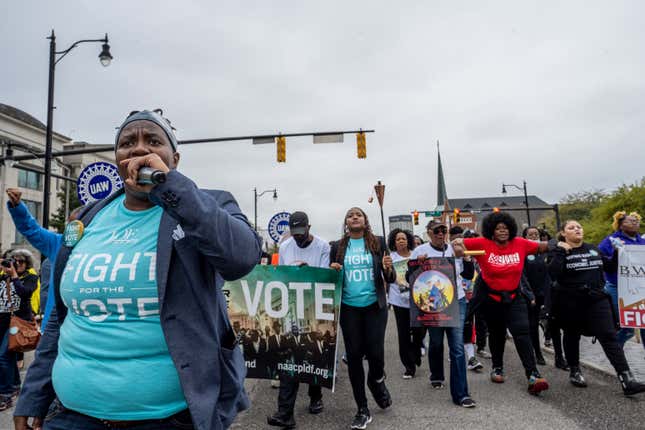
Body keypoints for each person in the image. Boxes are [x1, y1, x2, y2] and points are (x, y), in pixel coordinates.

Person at [13, 109, 261, 430]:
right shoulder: (87, 218)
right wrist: (33, 394)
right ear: (117, 158)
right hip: (72, 416)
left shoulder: (206, 204)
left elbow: (241, 256)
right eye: (127, 142)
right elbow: (64, 316)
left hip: (167, 419)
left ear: (175, 157)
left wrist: (171, 187)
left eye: (153, 141)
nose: (139, 148)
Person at [452, 211, 550, 395]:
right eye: (498, 229)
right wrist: (458, 246)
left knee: (522, 332)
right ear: (491, 230)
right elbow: (457, 243)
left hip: (514, 297)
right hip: (491, 299)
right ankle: (497, 367)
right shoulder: (482, 243)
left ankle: (533, 374)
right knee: (497, 334)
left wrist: (558, 244)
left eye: (505, 228)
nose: (502, 231)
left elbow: (542, 246)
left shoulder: (520, 243)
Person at [547, 220, 645, 395]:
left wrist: (617, 254)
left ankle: (627, 379)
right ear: (563, 234)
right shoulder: (558, 251)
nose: (577, 229)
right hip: (570, 301)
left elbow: (610, 267)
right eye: (571, 228)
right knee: (571, 335)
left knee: (609, 336)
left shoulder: (592, 248)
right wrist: (561, 251)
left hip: (597, 299)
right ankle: (575, 370)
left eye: (579, 226)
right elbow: (553, 273)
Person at [330, 207, 395, 430]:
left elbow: (391, 278)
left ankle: (376, 380)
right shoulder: (337, 247)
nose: (354, 217)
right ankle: (362, 409)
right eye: (350, 215)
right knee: (355, 356)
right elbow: (332, 278)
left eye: (358, 214)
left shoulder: (378, 242)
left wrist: (388, 270)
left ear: (365, 221)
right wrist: (334, 269)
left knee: (376, 354)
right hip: (349, 309)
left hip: (375, 307)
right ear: (346, 222)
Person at [268, 211, 330, 429]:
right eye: (294, 233)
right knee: (289, 359)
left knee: (312, 357)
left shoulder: (322, 246)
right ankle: (285, 412)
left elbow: (324, 277)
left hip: (314, 308)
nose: (298, 237)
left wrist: (307, 271)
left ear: (309, 227)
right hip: (291, 309)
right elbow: (281, 276)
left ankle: (315, 396)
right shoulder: (285, 247)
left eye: (301, 232)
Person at [410, 220, 476, 408]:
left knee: (456, 347)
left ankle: (461, 394)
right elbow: (410, 278)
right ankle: (437, 374)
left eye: (443, 230)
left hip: (457, 300)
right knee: (437, 342)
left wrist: (465, 257)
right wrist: (417, 264)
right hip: (434, 305)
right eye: (436, 231)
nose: (440, 234)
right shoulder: (420, 250)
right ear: (429, 233)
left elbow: (468, 275)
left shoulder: (455, 248)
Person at [598, 211, 645, 351]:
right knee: (627, 328)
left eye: (636, 221)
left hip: (640, 291)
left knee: (644, 325)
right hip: (617, 288)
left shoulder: (642, 241)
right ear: (620, 225)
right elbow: (602, 261)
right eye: (630, 221)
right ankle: (615, 354)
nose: (634, 223)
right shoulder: (610, 241)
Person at [0, 250, 38, 411]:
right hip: (1, 321)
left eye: (21, 261)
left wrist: (14, 275)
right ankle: (15, 384)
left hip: (17, 322)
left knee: (3, 356)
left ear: (27, 263)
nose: (17, 264)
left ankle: (6, 394)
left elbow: (25, 293)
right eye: (14, 261)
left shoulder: (31, 278)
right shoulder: (3, 277)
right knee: (9, 356)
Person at [386, 228, 421, 379]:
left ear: (409, 241)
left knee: (419, 331)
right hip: (398, 301)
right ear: (394, 242)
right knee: (404, 334)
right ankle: (409, 366)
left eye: (404, 239)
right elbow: (387, 277)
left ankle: (416, 351)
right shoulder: (390, 257)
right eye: (398, 239)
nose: (401, 241)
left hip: (417, 300)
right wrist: (387, 269)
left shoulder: (416, 254)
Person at [522, 226, 549, 366]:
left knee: (551, 323)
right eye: (530, 234)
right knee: (532, 325)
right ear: (525, 237)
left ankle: (558, 355)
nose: (533, 236)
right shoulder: (523, 253)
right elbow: (523, 276)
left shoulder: (545, 252)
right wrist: (529, 294)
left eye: (536, 234)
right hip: (531, 297)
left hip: (547, 294)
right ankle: (537, 353)